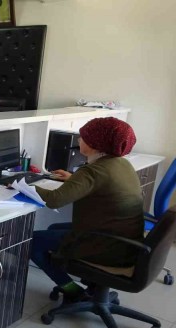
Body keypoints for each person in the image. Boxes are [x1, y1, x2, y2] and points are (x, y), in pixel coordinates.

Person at [30, 117, 143, 302]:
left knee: (32, 242)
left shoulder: (92, 171)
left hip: (107, 247)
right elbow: (101, 183)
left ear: (95, 144)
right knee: (53, 230)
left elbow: (54, 200)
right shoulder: (122, 163)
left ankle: (73, 291)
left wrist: (20, 184)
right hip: (126, 243)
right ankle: (92, 285)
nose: (78, 141)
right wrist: (74, 180)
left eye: (82, 138)